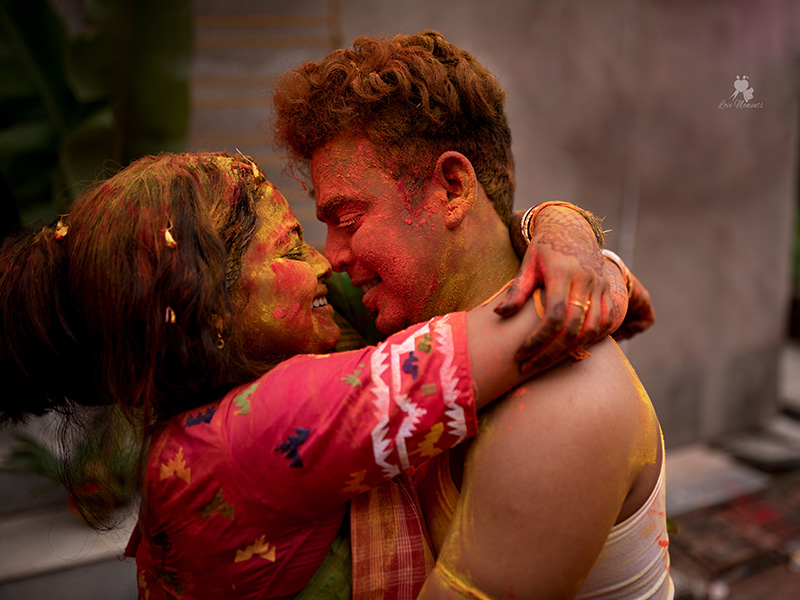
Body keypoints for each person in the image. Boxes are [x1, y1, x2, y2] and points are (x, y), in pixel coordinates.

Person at [0, 151, 628, 600]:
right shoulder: (258, 430)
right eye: (291, 246)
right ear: (210, 305)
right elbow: (553, 313)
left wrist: (553, 222)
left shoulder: (210, 408)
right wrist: (593, 259)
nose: (326, 261)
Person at [272, 30, 672, 598]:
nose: (329, 256)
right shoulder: (404, 313)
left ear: (453, 188)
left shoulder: (561, 410)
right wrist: (565, 225)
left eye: (350, 219)